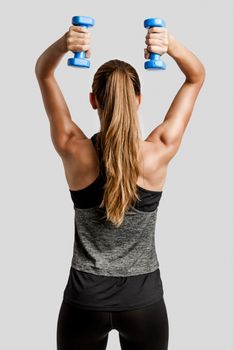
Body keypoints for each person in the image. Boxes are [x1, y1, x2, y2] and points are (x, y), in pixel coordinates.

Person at [35, 22, 205, 350]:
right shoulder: (159, 151)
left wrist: (63, 44)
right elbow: (196, 76)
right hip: (143, 302)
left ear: (93, 100)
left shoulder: (73, 148)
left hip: (84, 301)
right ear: (137, 100)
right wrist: (169, 45)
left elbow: (44, 74)